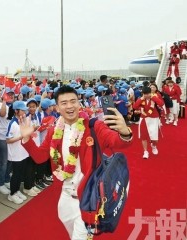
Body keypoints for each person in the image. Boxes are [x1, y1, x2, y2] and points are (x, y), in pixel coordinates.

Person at [19, 85, 132, 239]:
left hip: (89, 198)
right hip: (65, 198)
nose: (70, 106)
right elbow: (40, 157)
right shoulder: (54, 131)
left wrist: (125, 132)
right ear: (57, 108)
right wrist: (26, 139)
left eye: (73, 101)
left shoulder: (94, 126)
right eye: (64, 103)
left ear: (79, 104)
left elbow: (116, 141)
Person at [133, 87, 164, 159]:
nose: (147, 95)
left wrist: (153, 97)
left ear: (150, 93)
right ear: (143, 94)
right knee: (144, 137)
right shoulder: (141, 99)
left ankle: (153, 145)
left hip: (154, 119)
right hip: (144, 119)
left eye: (148, 94)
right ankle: (145, 151)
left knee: (155, 139)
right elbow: (135, 106)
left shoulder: (154, 97)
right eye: (145, 94)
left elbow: (161, 104)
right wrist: (141, 99)